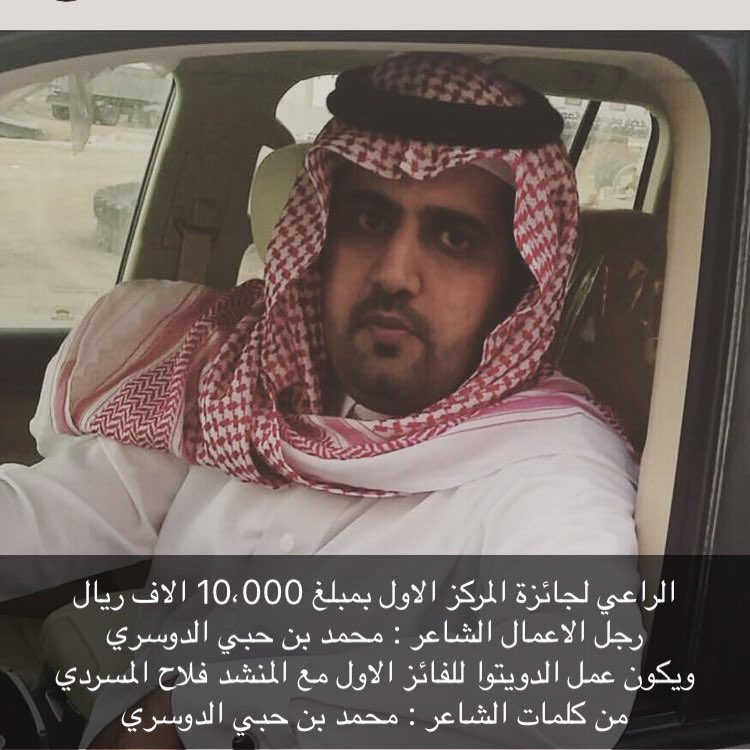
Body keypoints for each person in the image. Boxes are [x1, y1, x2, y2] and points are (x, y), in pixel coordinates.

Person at [1, 53, 640, 747]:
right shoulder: (246, 389)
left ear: (516, 287)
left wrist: (203, 711)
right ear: (321, 243)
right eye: (368, 220)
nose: (394, 273)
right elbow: (53, 514)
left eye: (454, 239)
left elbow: (564, 693)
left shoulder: (552, 466)